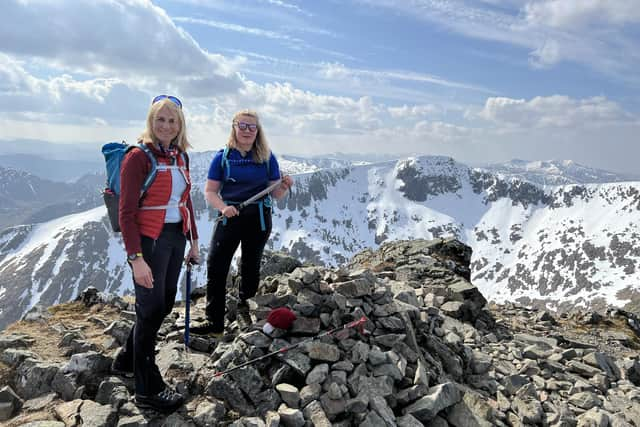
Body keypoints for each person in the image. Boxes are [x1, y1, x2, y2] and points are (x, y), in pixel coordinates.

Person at [111, 94, 199, 414]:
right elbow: (126, 213)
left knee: (161, 306)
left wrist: (194, 242)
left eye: (172, 120)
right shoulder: (138, 157)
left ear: (180, 125)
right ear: (151, 121)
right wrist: (136, 258)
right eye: (160, 119)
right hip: (150, 242)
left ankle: (125, 361)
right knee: (149, 312)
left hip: (175, 238)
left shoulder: (180, 157)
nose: (165, 125)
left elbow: (185, 201)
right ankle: (148, 389)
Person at [191, 109, 293, 335]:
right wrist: (223, 208)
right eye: (242, 126)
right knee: (217, 266)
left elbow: (274, 194)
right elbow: (210, 192)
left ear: (258, 131)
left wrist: (284, 187)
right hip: (230, 216)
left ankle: (246, 315)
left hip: (257, 217)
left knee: (250, 267)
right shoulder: (223, 157)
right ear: (234, 127)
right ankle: (214, 321)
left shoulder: (267, 157)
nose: (247, 131)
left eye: (252, 127)